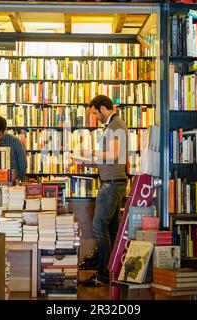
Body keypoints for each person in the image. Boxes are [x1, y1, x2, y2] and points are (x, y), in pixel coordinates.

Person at [78, 95, 129, 287]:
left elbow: (114, 154)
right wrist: (86, 161)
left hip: (112, 183)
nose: (94, 116)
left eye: (94, 112)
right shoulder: (113, 125)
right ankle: (113, 270)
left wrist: (90, 153)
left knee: (99, 227)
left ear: (102, 108)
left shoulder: (115, 125)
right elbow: (110, 157)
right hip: (113, 181)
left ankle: (104, 273)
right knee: (112, 228)